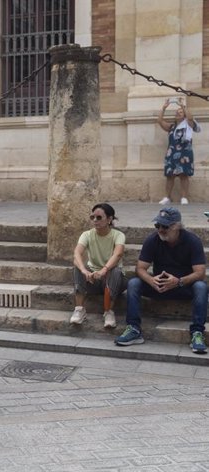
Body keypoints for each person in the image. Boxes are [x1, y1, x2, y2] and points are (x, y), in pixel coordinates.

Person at [115, 207, 207, 354]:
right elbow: (140, 268)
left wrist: (179, 281)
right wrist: (151, 280)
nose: (160, 230)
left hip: (183, 287)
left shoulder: (192, 241)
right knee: (133, 283)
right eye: (157, 225)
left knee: (201, 287)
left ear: (177, 226)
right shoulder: (152, 240)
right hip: (159, 287)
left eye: (165, 226)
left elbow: (200, 272)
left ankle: (197, 333)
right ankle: (134, 329)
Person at [71, 203, 126, 328]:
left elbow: (118, 255)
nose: (95, 220)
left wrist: (104, 270)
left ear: (110, 219)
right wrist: (84, 270)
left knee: (116, 271)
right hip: (92, 278)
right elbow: (77, 253)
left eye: (99, 217)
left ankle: (109, 312)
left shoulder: (118, 235)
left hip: (113, 279)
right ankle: (79, 309)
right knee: (78, 266)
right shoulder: (87, 235)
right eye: (92, 217)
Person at [157, 98, 200, 205]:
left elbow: (190, 117)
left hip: (185, 153)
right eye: (177, 112)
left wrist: (183, 106)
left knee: (183, 175)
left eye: (180, 112)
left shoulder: (189, 124)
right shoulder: (171, 127)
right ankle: (167, 197)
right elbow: (160, 121)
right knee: (170, 175)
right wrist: (164, 108)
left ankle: (184, 197)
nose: (178, 113)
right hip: (172, 153)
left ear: (184, 114)